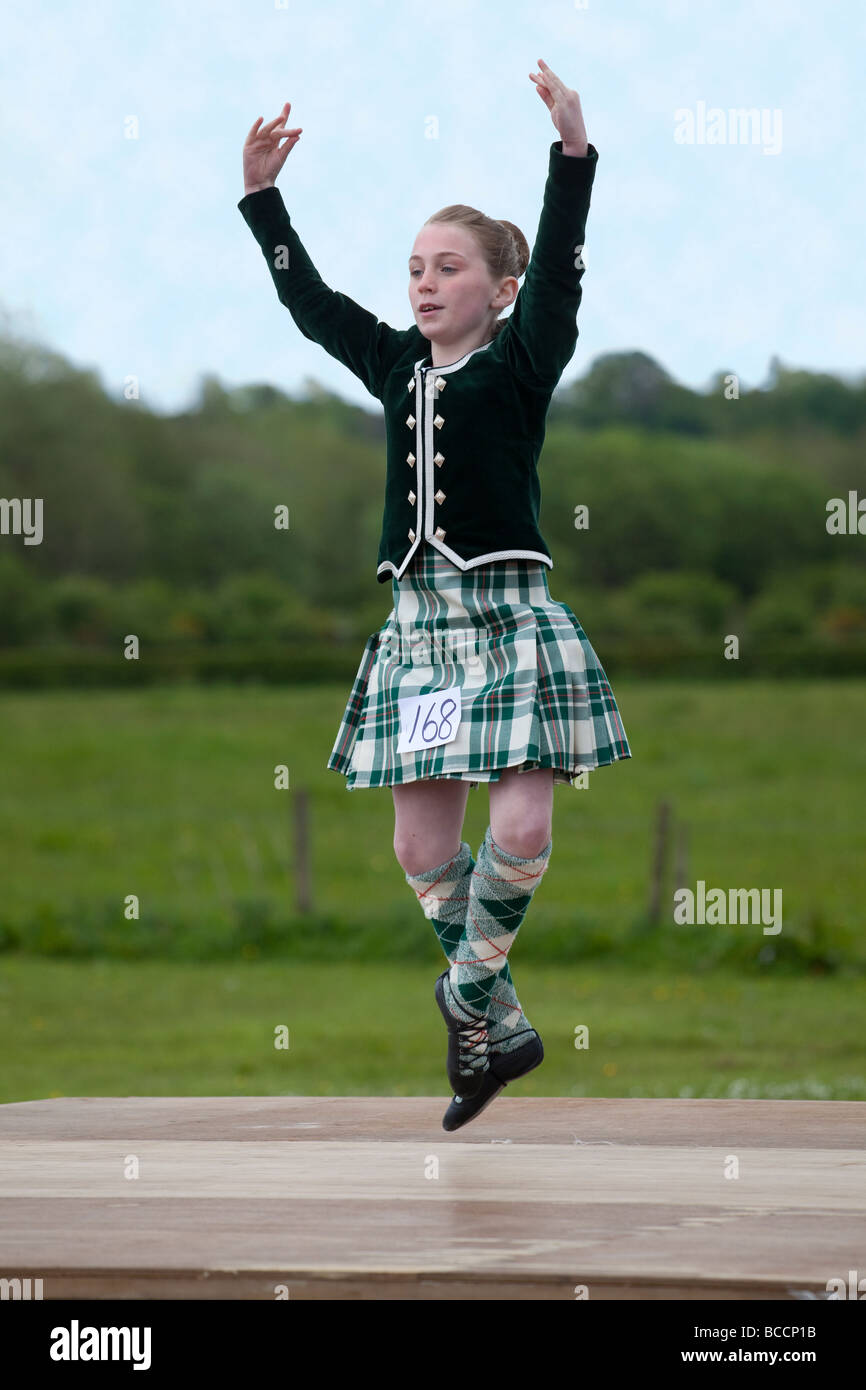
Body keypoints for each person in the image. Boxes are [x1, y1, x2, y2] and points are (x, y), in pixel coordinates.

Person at [238, 60, 632, 1131]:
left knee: (518, 821)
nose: (422, 282)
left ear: (494, 289)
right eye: (413, 266)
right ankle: (498, 1026)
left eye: (447, 267)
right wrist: (263, 201)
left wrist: (571, 158)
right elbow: (310, 305)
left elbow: (559, 272)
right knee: (419, 849)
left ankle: (463, 998)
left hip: (508, 622)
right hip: (419, 637)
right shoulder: (392, 366)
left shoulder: (520, 361)